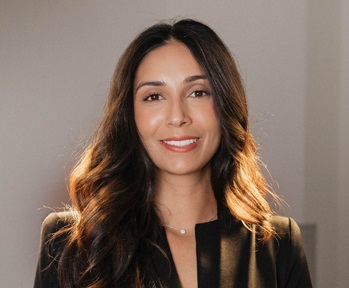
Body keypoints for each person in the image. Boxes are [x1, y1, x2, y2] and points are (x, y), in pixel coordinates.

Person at [34, 19, 312, 288]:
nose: (177, 117)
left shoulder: (278, 245)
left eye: (198, 92)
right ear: (130, 116)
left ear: (226, 105)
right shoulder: (70, 242)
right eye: (154, 96)